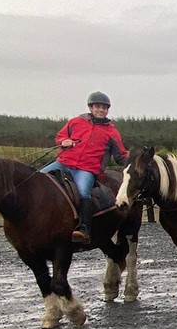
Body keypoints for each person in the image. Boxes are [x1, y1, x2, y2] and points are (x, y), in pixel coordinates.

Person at [40, 91, 128, 243]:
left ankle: (84, 228)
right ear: (91, 107)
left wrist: (138, 159)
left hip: (87, 169)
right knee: (38, 179)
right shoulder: (75, 122)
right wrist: (64, 141)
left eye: (104, 108)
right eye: (98, 107)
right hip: (64, 163)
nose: (101, 110)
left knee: (83, 192)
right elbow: (60, 136)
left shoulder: (112, 132)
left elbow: (120, 155)